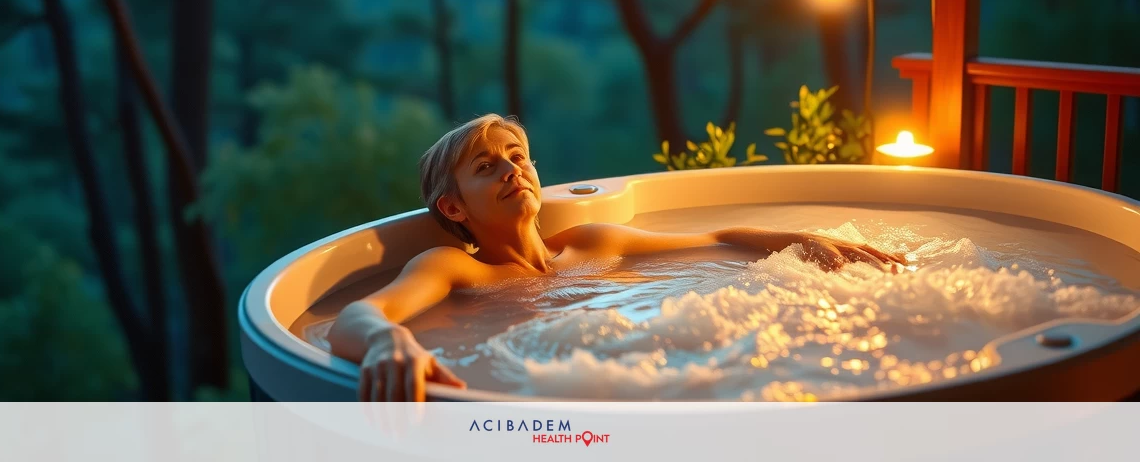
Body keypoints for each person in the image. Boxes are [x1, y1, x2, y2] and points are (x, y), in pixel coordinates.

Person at [328, 114, 906, 401]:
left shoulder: (593, 243)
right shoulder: (459, 269)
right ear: (453, 209)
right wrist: (385, 340)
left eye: (517, 156)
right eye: (487, 168)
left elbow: (718, 243)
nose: (512, 170)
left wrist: (804, 241)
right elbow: (355, 318)